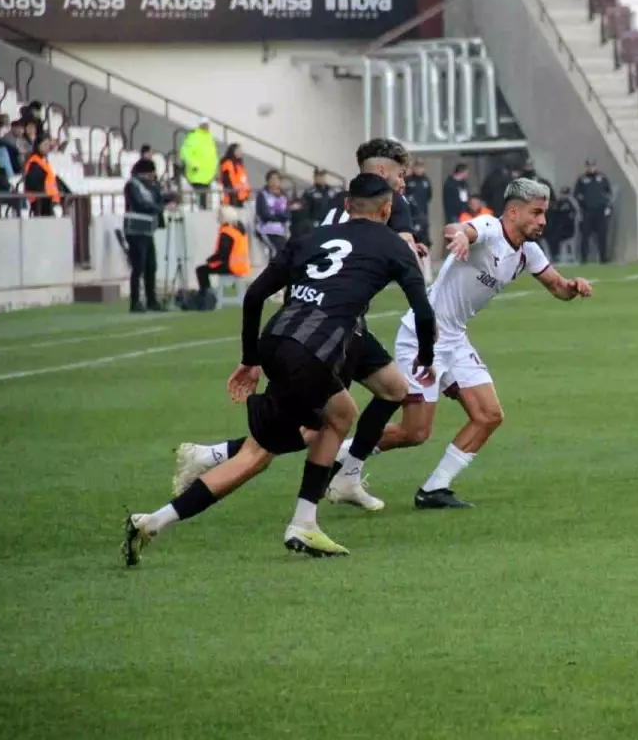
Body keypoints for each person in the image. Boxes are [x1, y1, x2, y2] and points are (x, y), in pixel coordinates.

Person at [123, 173, 438, 567]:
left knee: (338, 415)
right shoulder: (394, 245)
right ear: (388, 209)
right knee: (260, 454)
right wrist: (425, 356)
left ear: (346, 204)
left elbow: (255, 295)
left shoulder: (309, 238)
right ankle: (293, 520)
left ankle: (165, 520)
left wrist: (251, 359)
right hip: (312, 352)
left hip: (276, 339)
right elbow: (423, 312)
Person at [172, 139, 423, 512]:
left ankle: (348, 475)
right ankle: (217, 465)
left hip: (314, 317)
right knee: (308, 426)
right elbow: (404, 252)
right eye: (401, 175)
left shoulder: (344, 200)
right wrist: (409, 260)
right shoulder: (389, 203)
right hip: (326, 329)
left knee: (391, 389)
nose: (404, 184)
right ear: (384, 173)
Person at [336, 178, 593, 510]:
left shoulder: (528, 251)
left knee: (488, 415)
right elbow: (462, 229)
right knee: (415, 432)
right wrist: (459, 236)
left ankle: (434, 489)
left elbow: (558, 287)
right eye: (537, 213)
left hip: (454, 339)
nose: (543, 221)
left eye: (545, 213)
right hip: (422, 336)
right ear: (513, 212)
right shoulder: (489, 227)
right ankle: (341, 453)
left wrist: (574, 286)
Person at [123, 158, 172, 313]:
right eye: (151, 173)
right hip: (135, 230)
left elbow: (157, 198)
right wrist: (161, 207)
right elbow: (141, 204)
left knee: (151, 265)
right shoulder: (132, 185)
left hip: (147, 230)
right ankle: (135, 301)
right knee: (138, 267)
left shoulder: (149, 185)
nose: (153, 176)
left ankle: (152, 300)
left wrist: (169, 197)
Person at [195, 205, 252, 300]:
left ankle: (206, 295)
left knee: (201, 270)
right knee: (205, 268)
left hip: (231, 266)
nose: (217, 218)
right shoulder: (239, 230)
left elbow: (223, 253)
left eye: (219, 215)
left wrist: (210, 260)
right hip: (243, 266)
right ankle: (207, 294)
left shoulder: (227, 232)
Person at [574, 158, 614, 264]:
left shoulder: (602, 178)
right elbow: (577, 194)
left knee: (602, 235)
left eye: (592, 165)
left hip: (600, 211)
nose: (591, 168)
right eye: (589, 166)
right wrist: (582, 204)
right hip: (587, 211)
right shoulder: (582, 179)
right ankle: (584, 258)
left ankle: (603, 258)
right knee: (585, 236)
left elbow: (608, 192)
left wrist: (606, 205)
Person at [22, 136, 67, 217]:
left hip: (50, 199)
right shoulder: (34, 162)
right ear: (38, 146)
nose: (47, 147)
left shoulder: (43, 161)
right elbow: (33, 183)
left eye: (48, 145)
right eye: (44, 145)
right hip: (42, 202)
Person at [179, 117, 217, 210]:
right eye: (204, 124)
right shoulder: (193, 137)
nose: (206, 126)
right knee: (199, 200)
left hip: (208, 175)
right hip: (197, 174)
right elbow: (185, 153)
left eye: (207, 124)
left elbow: (212, 155)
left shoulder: (209, 138)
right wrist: (193, 165)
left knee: (205, 201)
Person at [255, 170, 290, 255]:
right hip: (266, 230)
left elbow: (288, 214)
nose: (274, 182)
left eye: (277, 179)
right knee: (275, 251)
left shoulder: (284, 196)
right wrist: (280, 217)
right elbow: (265, 215)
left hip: (281, 232)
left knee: (287, 251)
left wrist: (276, 215)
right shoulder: (262, 194)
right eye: (272, 179)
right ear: (268, 181)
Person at [544, 185, 580, 261]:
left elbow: (577, 214)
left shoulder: (572, 202)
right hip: (559, 228)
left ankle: (572, 258)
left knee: (569, 243)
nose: (564, 196)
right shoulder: (558, 203)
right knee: (555, 240)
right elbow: (553, 214)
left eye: (565, 194)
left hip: (570, 228)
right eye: (563, 194)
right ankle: (557, 257)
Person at [403, 159, 432, 245]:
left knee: (424, 234)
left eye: (421, 167)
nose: (419, 169)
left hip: (423, 212)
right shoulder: (407, 180)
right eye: (417, 167)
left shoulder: (426, 180)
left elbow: (429, 195)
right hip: (411, 213)